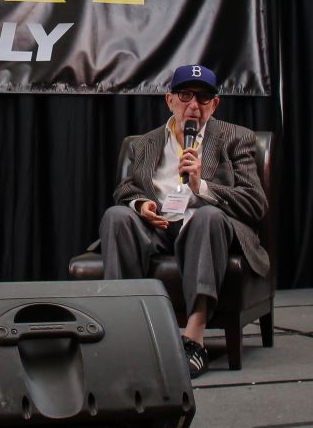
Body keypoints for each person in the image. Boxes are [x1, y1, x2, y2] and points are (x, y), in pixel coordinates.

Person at [99, 64, 268, 379]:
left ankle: (194, 338)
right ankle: (128, 336)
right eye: (186, 95)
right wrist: (141, 203)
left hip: (204, 226)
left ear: (214, 105)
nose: (194, 105)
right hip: (158, 226)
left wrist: (200, 187)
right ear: (170, 100)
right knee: (117, 216)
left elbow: (255, 203)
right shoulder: (144, 143)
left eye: (203, 98)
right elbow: (126, 187)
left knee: (207, 217)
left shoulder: (235, 138)